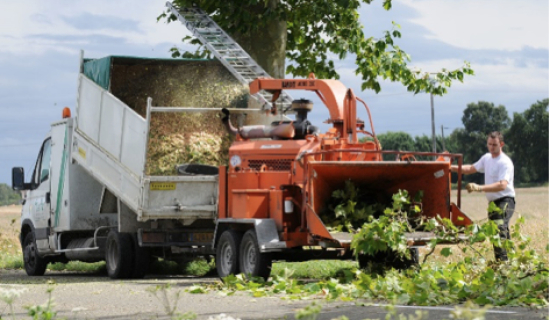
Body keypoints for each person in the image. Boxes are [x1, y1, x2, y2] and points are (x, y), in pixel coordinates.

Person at [450, 131, 515, 261]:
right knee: (499, 231)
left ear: (501, 144)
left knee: (498, 229)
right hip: (493, 203)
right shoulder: (486, 158)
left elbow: (502, 185)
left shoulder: (505, 162)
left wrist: (479, 187)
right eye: (489, 144)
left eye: (494, 145)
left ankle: (502, 262)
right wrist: (450, 167)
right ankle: (511, 261)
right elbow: (470, 169)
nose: (491, 147)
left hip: (505, 201)